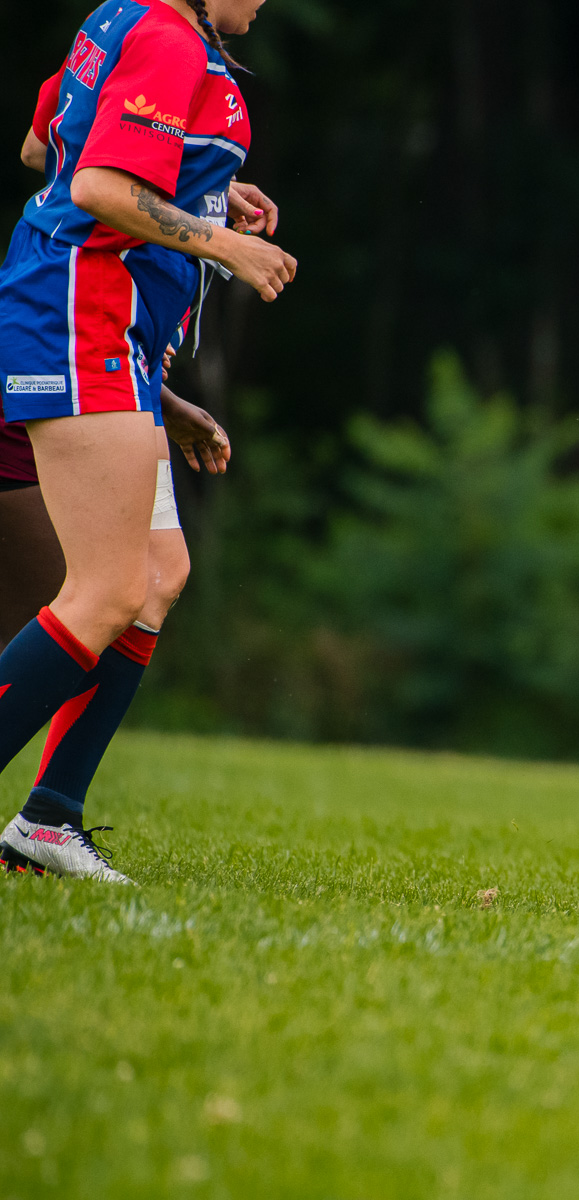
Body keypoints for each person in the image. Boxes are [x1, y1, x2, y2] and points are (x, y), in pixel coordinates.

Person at [0, 0, 295, 881]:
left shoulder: (124, 17)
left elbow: (44, 145)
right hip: (81, 321)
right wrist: (222, 243)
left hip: (103, 334)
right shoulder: (169, 40)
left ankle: (48, 821)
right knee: (108, 588)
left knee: (157, 578)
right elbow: (94, 187)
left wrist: (201, 184)